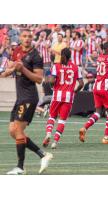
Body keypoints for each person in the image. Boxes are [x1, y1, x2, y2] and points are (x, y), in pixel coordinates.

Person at [4, 29, 53, 175]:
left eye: (29, 36)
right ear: (20, 37)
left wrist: (22, 69)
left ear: (32, 38)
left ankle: (20, 167)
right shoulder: (16, 50)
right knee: (13, 131)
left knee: (18, 130)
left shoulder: (36, 56)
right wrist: (8, 71)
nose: (26, 39)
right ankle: (43, 155)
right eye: (24, 36)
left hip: (29, 97)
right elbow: (11, 66)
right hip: (20, 97)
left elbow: (39, 79)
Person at [43, 48, 84, 149]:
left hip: (57, 95)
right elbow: (81, 84)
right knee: (62, 120)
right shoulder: (75, 67)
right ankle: (55, 142)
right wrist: (75, 91)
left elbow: (52, 80)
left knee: (52, 116)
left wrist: (52, 85)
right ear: (70, 56)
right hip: (69, 97)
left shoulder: (56, 66)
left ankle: (48, 134)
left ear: (62, 55)